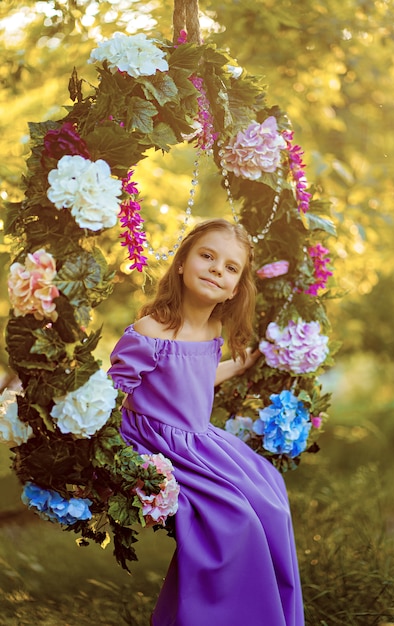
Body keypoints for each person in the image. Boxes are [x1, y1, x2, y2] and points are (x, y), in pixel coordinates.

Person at [108, 218, 305, 625]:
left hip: (197, 437)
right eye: (208, 256)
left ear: (236, 287)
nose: (218, 269)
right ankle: (210, 615)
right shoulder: (150, 331)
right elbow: (112, 394)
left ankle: (271, 615)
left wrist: (238, 366)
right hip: (156, 441)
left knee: (272, 498)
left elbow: (192, 378)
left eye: (231, 267)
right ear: (182, 263)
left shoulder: (214, 327)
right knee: (237, 519)